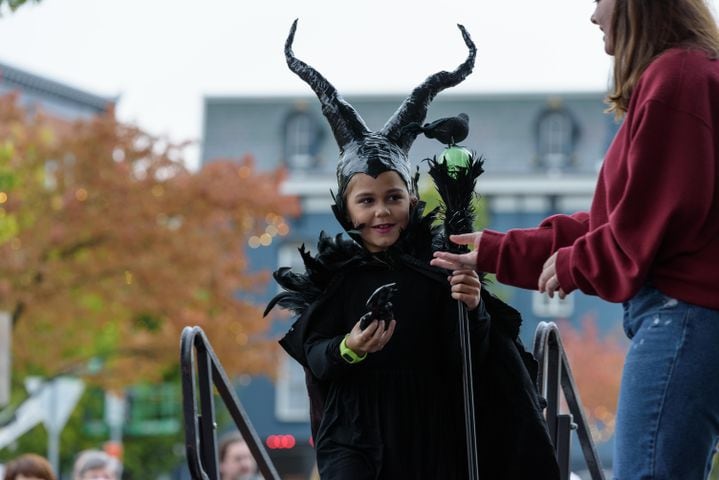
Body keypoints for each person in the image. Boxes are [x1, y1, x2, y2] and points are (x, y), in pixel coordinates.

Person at [431, 1, 719, 478]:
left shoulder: (677, 80)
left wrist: (572, 265)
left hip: (681, 321)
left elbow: (634, 230)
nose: (593, 15)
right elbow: (620, 220)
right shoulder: (690, 75)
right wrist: (502, 251)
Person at [265, 20, 559, 479]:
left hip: (430, 432)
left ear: (413, 200)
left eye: (393, 198)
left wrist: (474, 304)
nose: (382, 212)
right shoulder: (337, 278)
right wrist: (350, 347)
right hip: (355, 435)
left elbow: (470, 356)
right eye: (367, 200)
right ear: (347, 212)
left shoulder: (440, 268)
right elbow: (315, 353)